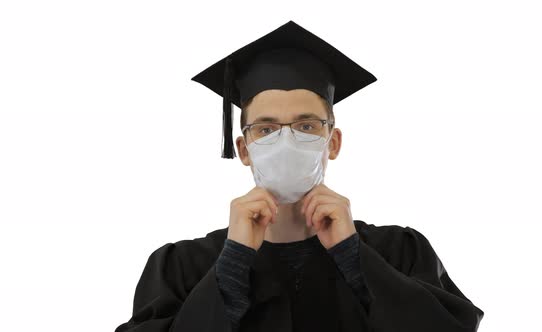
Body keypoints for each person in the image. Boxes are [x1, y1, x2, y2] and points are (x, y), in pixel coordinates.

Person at [115, 20, 485, 332]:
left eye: (307, 126)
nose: (286, 141)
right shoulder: (184, 266)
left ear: (333, 141)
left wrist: (354, 257)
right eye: (266, 129)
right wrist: (233, 261)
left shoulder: (399, 253)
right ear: (244, 150)